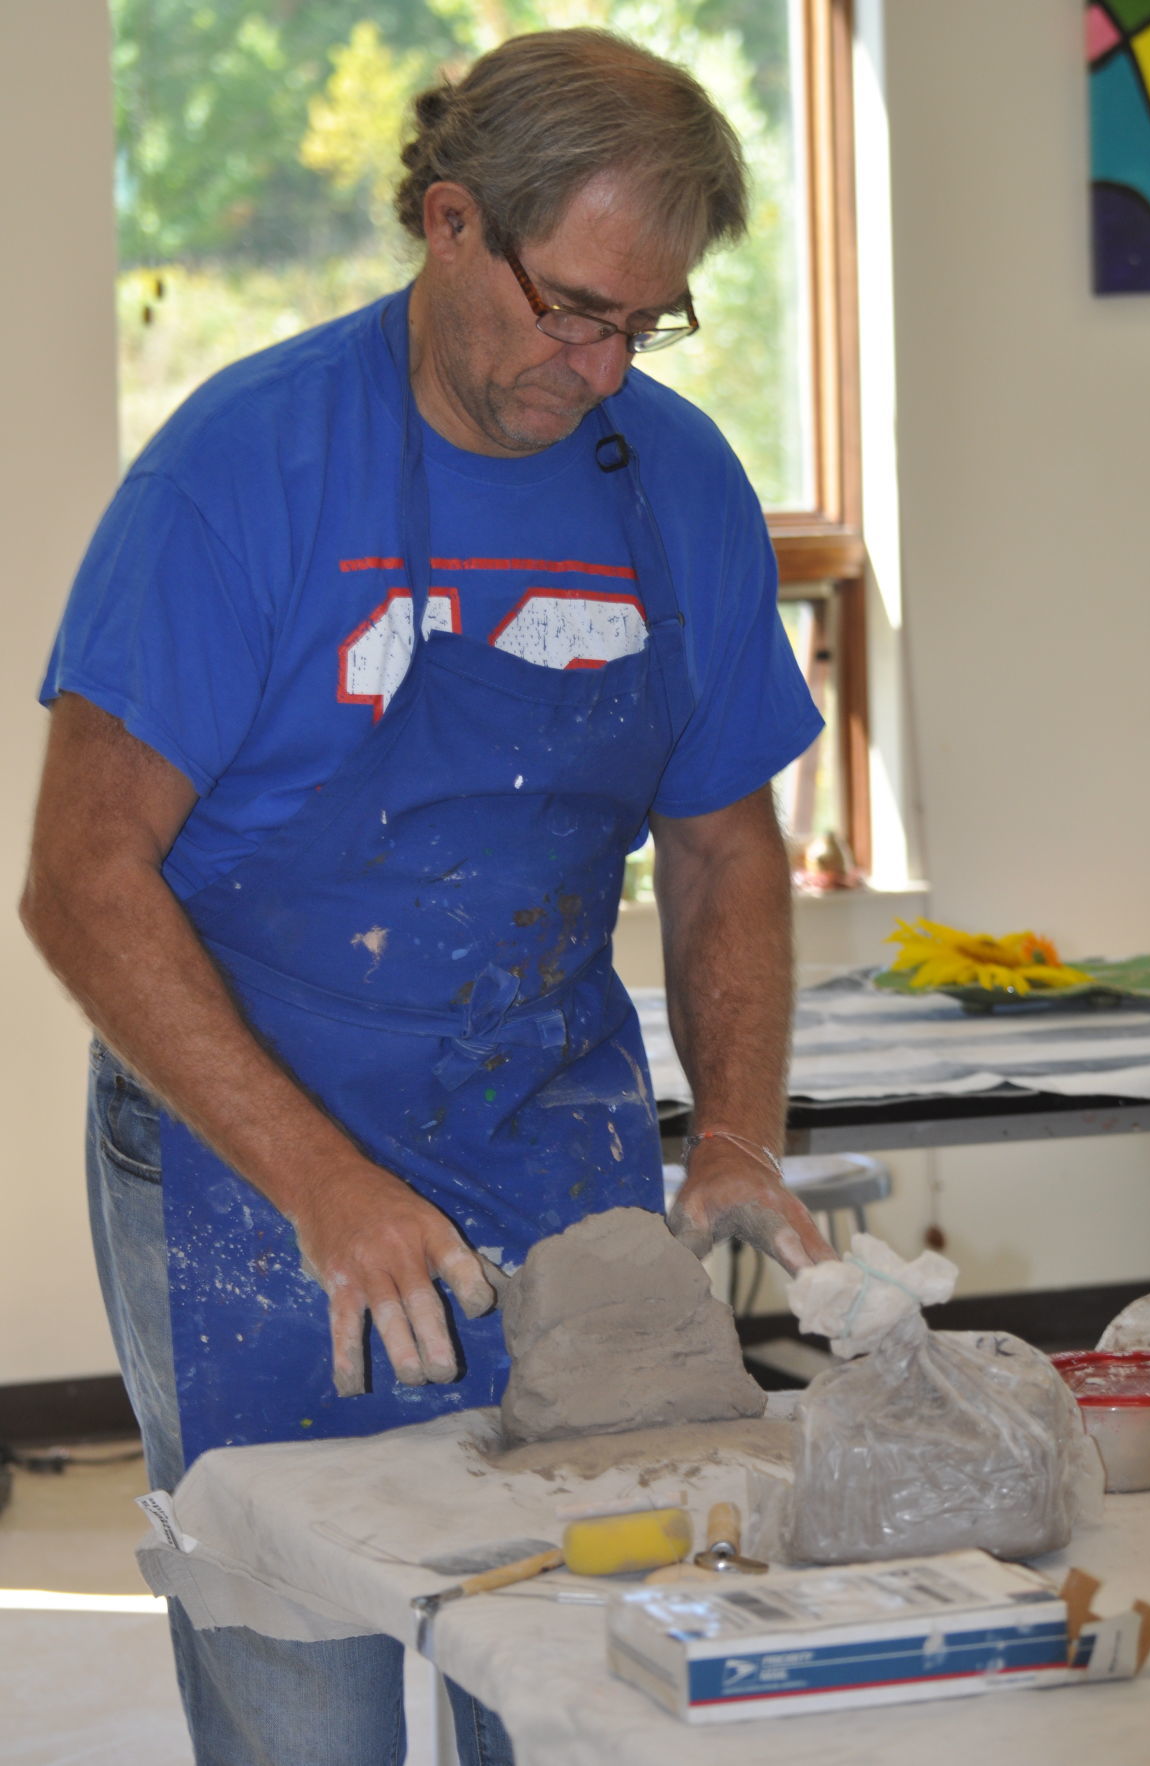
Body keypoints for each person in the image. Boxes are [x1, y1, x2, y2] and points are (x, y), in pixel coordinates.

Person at [22, 26, 835, 1766]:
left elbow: (719, 841)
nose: (606, 367)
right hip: (256, 1157)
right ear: (449, 222)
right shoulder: (239, 474)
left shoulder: (670, 482)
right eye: (574, 310)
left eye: (648, 321)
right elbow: (82, 883)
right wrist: (325, 1182)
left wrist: (742, 1133)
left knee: (566, 1665)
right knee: (304, 1683)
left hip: (547, 1133)